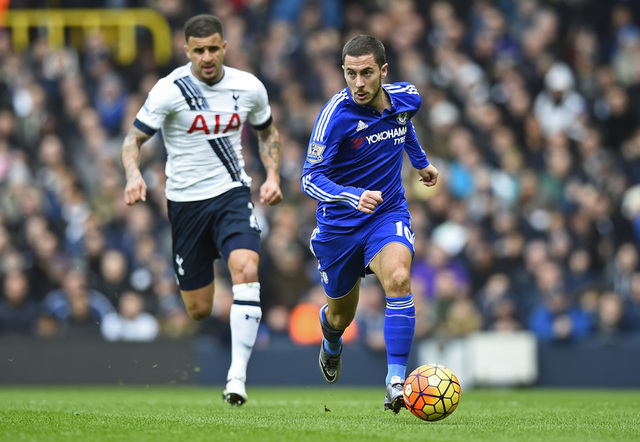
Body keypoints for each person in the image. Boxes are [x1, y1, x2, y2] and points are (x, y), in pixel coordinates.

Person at [120, 14, 283, 406]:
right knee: (197, 309)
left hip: (231, 195)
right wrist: (132, 175)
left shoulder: (248, 87)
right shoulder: (169, 90)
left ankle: (237, 378)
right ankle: (231, 364)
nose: (207, 57)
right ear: (186, 50)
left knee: (246, 269)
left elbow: (268, 131)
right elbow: (133, 139)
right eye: (199, 50)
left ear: (224, 46)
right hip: (186, 205)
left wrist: (273, 174)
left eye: (214, 48)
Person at [301, 35, 439, 413]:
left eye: (365, 73)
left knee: (398, 277)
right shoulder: (335, 115)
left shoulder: (407, 96)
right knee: (341, 316)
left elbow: (403, 123)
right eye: (350, 74)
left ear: (383, 71)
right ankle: (331, 338)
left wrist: (420, 161)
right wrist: (351, 195)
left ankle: (396, 382)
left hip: (387, 212)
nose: (358, 83)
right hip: (340, 228)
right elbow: (309, 179)